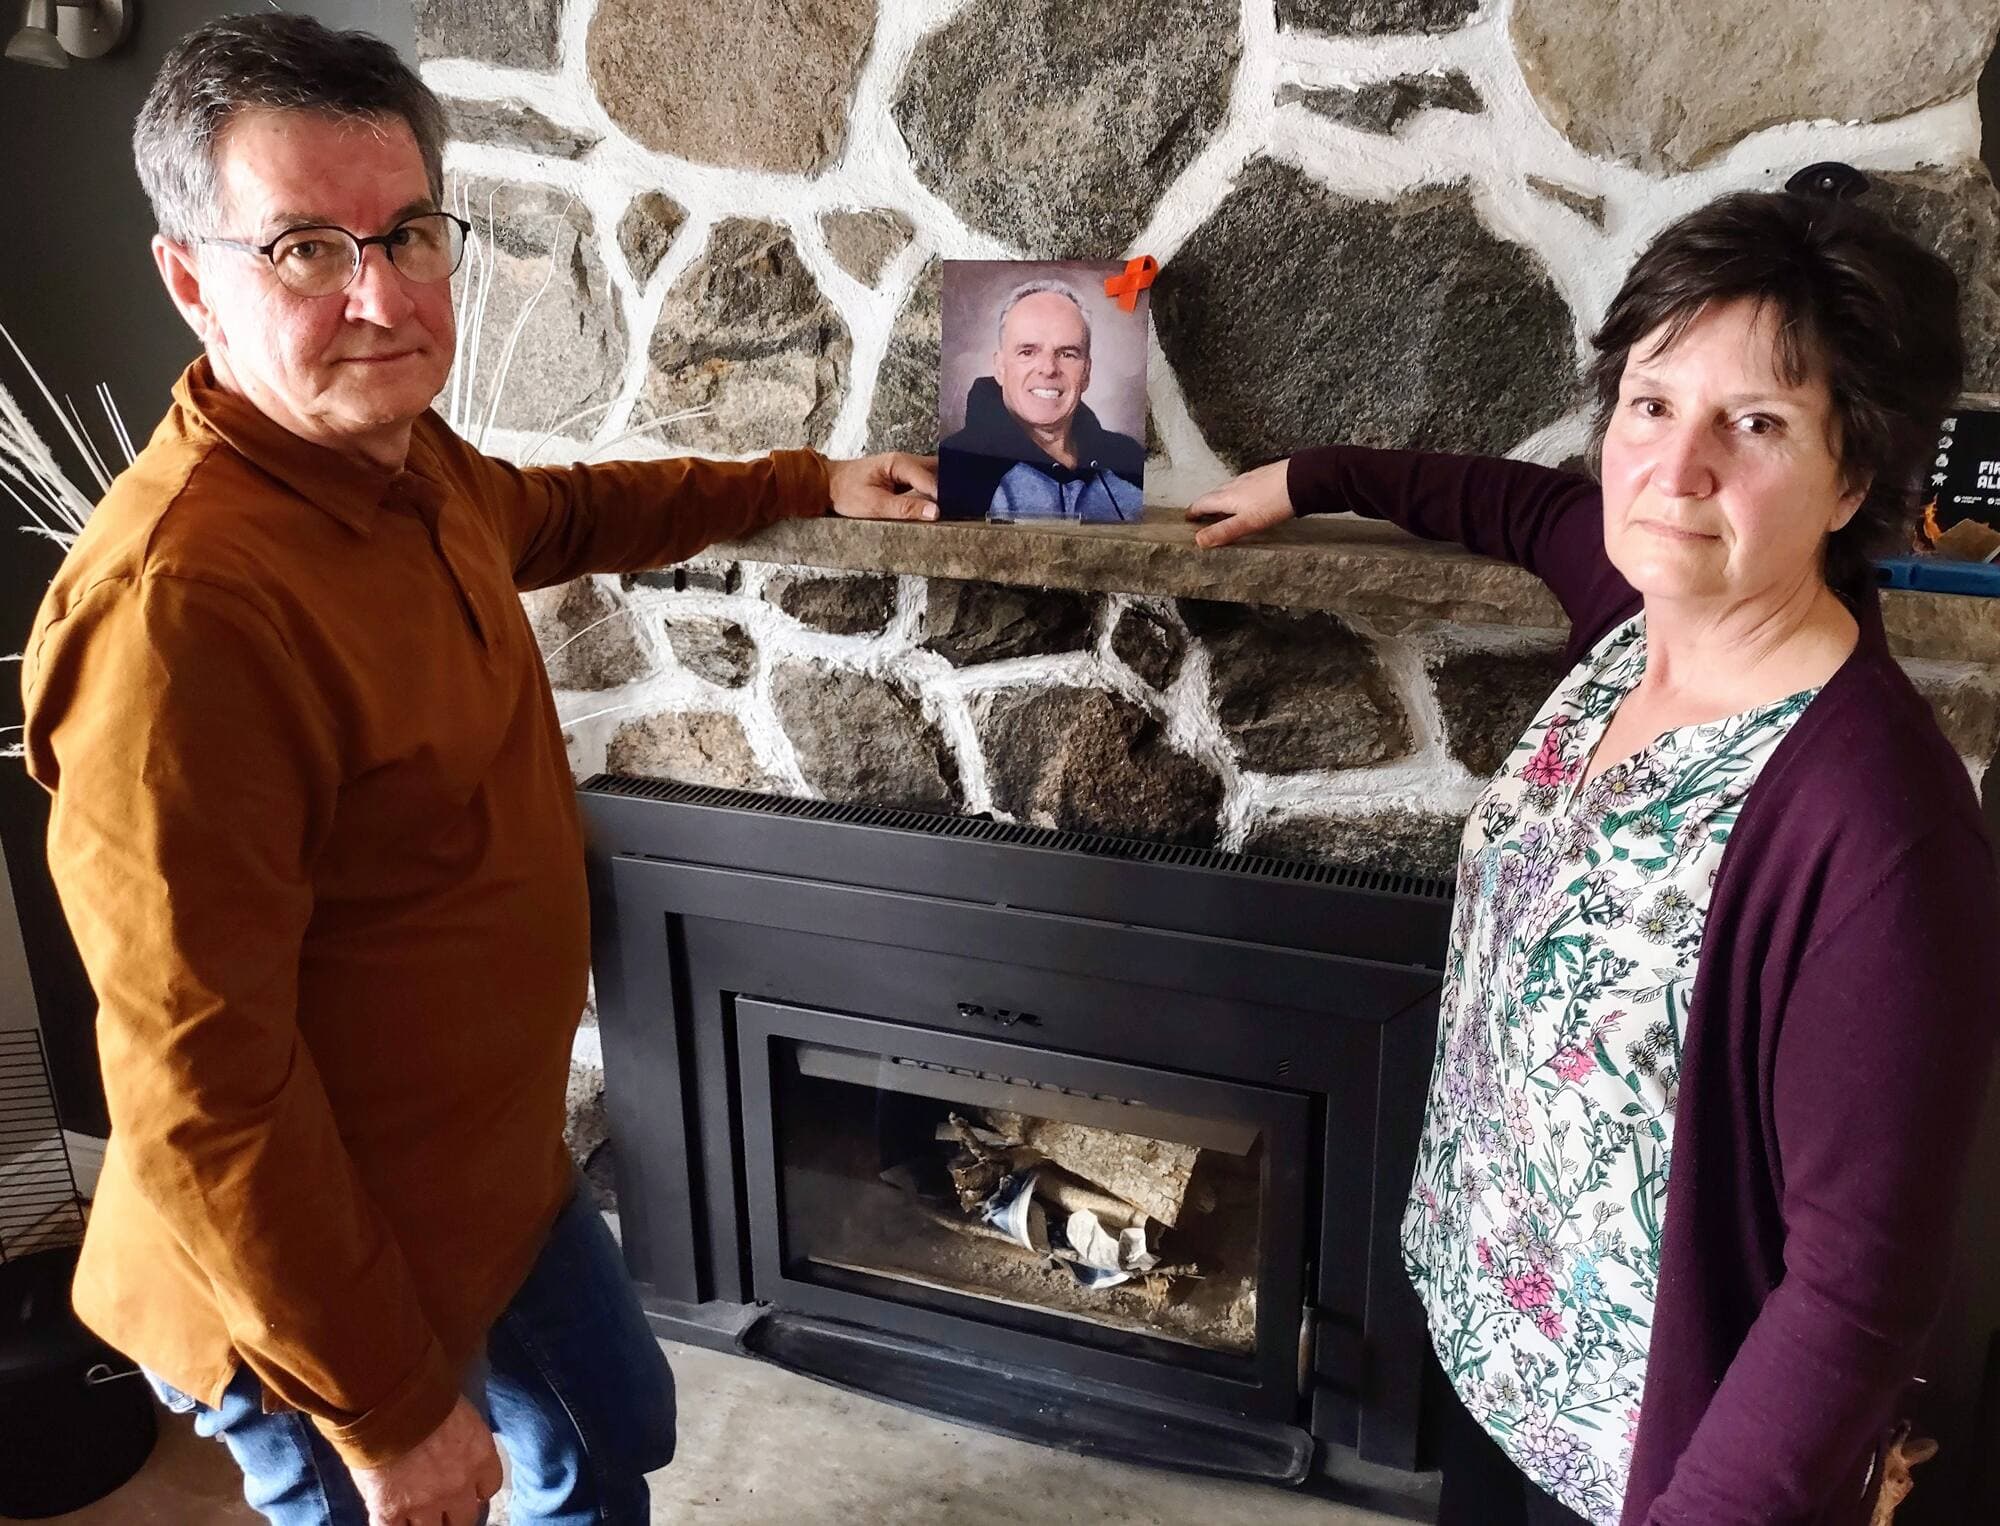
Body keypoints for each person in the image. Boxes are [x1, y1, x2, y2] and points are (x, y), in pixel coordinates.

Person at [19, 15, 936, 1526]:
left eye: (408, 233)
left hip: (484, 1173)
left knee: (612, 1431)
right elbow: (203, 1091)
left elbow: (554, 511)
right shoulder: (179, 619)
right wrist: (386, 1415)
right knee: (509, 1493)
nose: (381, 296)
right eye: (305, 248)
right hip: (311, 1266)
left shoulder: (399, 460)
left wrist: (802, 480)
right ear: (191, 276)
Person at [1188, 185, 2000, 1526]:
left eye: (1758, 424)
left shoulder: (1882, 833)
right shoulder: (1634, 611)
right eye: (1650, 401)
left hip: (1645, 1456)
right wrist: (1308, 476)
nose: (1675, 471)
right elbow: (1508, 503)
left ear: (1855, 476)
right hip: (1491, 1344)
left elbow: (1855, 1294)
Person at [937, 280, 1145, 522]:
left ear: (1086, 372)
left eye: (1067, 353)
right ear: (1000, 367)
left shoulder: (1128, 459)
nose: (1048, 369)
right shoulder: (957, 467)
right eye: (1028, 351)